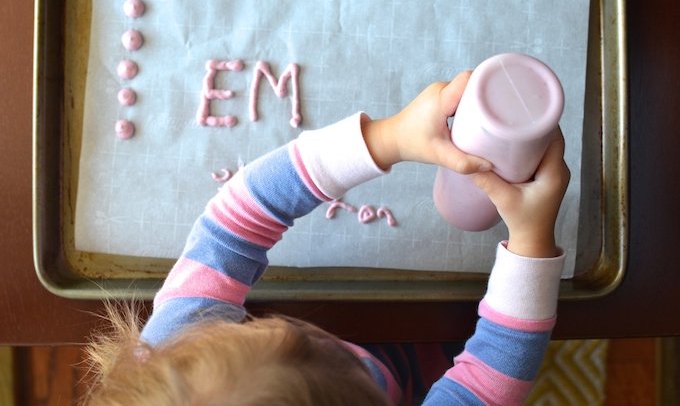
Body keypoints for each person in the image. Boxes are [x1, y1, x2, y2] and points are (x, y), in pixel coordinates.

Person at [84, 71, 570, 405]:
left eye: (256, 331)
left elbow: (235, 221)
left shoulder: (171, 357)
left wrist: (389, 138)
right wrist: (531, 238)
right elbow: (488, 380)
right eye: (304, 338)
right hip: (422, 371)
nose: (283, 325)